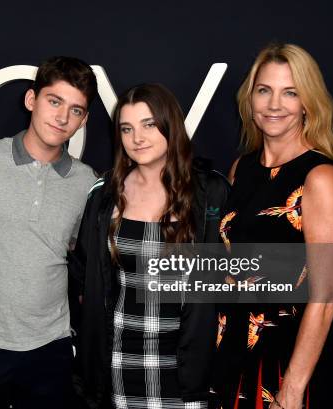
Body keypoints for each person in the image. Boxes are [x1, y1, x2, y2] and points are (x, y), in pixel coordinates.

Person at [69, 83, 230, 409]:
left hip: (186, 367)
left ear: (169, 124)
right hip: (119, 362)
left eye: (148, 125)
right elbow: (85, 278)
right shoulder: (105, 193)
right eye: (126, 129)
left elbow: (240, 270)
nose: (137, 138)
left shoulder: (210, 191)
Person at [0, 56, 98, 409]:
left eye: (76, 110)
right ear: (31, 100)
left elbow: (83, 259)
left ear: (84, 120)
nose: (63, 117)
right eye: (54, 101)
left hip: (50, 344)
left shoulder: (85, 182)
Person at [214, 43, 333, 409]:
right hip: (222, 356)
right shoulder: (240, 169)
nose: (274, 105)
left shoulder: (319, 178)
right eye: (265, 90)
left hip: (276, 369)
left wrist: (290, 391)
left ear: (308, 102)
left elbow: (326, 296)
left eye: (290, 92)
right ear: (251, 98)